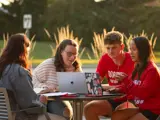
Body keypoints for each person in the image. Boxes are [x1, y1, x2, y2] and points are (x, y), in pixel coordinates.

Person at [0, 33, 66, 120]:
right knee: (62, 118)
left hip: (3, 116)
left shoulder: (3, 68)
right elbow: (30, 105)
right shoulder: (19, 72)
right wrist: (42, 102)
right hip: (19, 117)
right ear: (24, 50)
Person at [84, 31, 135, 120]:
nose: (110, 51)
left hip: (130, 100)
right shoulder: (105, 59)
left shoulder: (132, 59)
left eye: (114, 48)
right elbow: (95, 82)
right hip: (112, 100)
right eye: (108, 48)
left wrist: (105, 87)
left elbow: (136, 85)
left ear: (122, 47)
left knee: (118, 114)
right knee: (89, 108)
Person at [111, 36, 160, 120]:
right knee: (116, 115)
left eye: (134, 49)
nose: (130, 52)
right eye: (130, 49)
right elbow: (131, 85)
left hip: (152, 110)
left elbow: (142, 93)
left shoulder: (151, 70)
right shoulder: (138, 67)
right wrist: (117, 89)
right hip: (141, 107)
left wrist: (125, 80)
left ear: (142, 51)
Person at [32, 39, 82, 120]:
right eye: (69, 54)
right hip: (47, 100)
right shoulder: (49, 64)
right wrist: (46, 87)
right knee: (66, 113)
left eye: (75, 54)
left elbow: (80, 85)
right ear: (61, 52)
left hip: (63, 99)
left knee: (68, 112)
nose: (73, 58)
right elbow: (32, 80)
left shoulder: (76, 67)